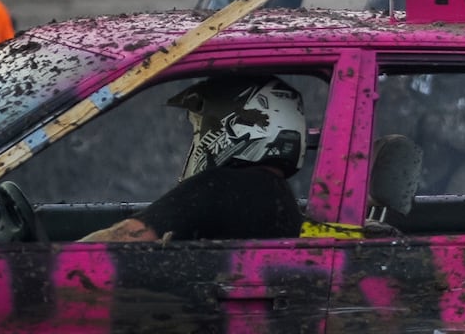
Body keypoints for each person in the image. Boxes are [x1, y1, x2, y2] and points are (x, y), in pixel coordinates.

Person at [82, 75, 307, 243]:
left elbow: (126, 237)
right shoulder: (281, 198)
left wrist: (55, 259)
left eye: (202, 127)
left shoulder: (218, 187)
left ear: (231, 125)